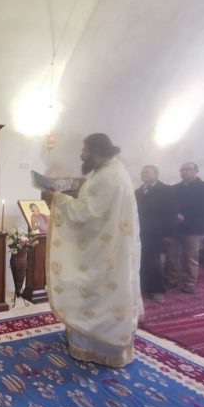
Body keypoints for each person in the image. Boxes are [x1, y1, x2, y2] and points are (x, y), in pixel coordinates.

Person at [47, 133, 142, 367]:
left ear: (96, 151)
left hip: (103, 252)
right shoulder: (115, 171)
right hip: (111, 249)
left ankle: (92, 347)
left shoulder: (107, 178)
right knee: (105, 294)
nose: (81, 155)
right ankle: (102, 346)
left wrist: (58, 199)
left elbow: (85, 214)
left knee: (95, 293)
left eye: (85, 150)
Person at [165, 162, 204, 294]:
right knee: (173, 255)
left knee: (191, 257)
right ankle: (173, 278)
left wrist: (185, 216)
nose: (184, 172)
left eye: (187, 169)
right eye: (182, 170)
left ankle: (189, 282)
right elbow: (170, 206)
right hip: (176, 227)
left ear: (196, 171)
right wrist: (176, 214)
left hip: (194, 227)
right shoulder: (174, 188)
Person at [134, 165, 177, 303]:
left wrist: (169, 233)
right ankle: (144, 286)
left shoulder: (167, 190)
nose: (144, 174)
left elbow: (171, 213)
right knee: (141, 260)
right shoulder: (138, 192)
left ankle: (157, 290)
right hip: (140, 232)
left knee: (154, 262)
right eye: (142, 172)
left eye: (147, 172)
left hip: (158, 233)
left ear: (156, 174)